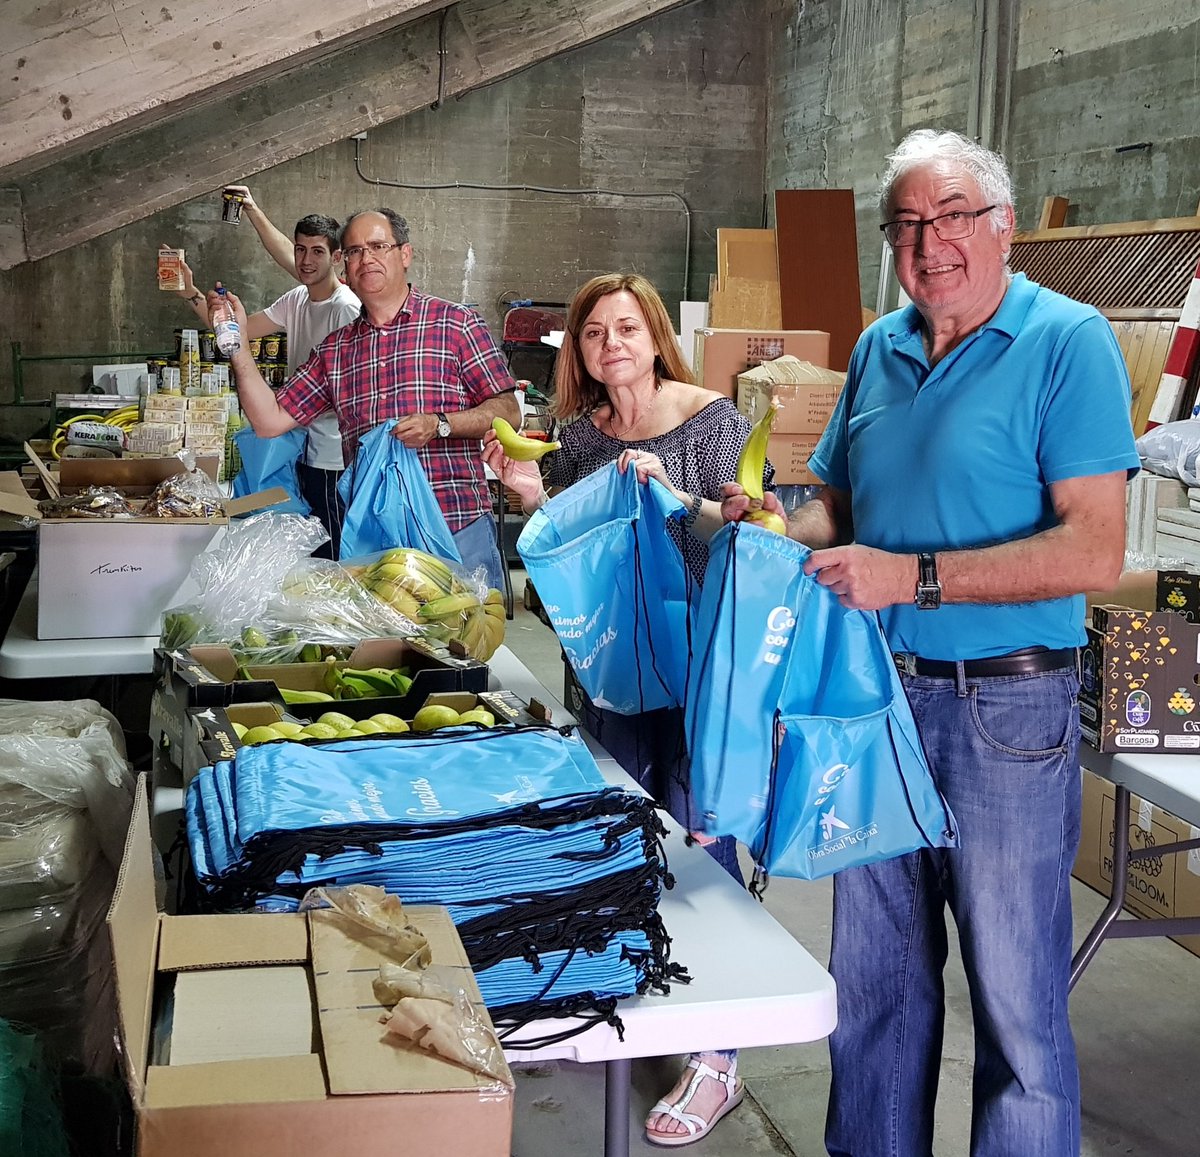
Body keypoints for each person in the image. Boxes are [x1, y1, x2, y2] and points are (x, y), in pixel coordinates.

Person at [723, 130, 1139, 1157]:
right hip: (876, 701)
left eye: (952, 216)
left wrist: (910, 578)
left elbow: (1094, 548)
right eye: (906, 224)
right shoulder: (879, 346)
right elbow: (839, 505)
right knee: (875, 987)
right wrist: (775, 522)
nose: (928, 243)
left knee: (1017, 1006)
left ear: (1003, 225)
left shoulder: (1067, 340)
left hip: (1006, 712)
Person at [484, 272, 771, 1147]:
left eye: (626, 328)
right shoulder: (579, 437)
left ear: (654, 338)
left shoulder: (711, 421)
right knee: (620, 832)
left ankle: (718, 1054)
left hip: (698, 669)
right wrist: (530, 498)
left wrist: (679, 498)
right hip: (610, 672)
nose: (611, 343)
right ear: (578, 351)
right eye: (594, 332)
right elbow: (568, 549)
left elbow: (753, 530)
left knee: (704, 844)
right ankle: (632, 994)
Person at [207, 208, 519, 586]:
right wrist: (237, 343)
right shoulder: (336, 351)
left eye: (377, 246)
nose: (366, 258)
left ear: (405, 254)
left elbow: (508, 411)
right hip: (375, 542)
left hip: (457, 524)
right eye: (355, 251)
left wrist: (441, 424)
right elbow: (269, 420)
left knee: (471, 624)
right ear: (346, 265)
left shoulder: (455, 324)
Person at [176, 188, 360, 558]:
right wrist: (190, 292)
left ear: (337, 257)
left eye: (317, 252)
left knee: (335, 554)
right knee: (306, 549)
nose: (305, 260)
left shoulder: (346, 309)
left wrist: (284, 408)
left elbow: (350, 393)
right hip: (299, 449)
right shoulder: (297, 299)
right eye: (300, 250)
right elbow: (239, 332)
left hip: (333, 459)